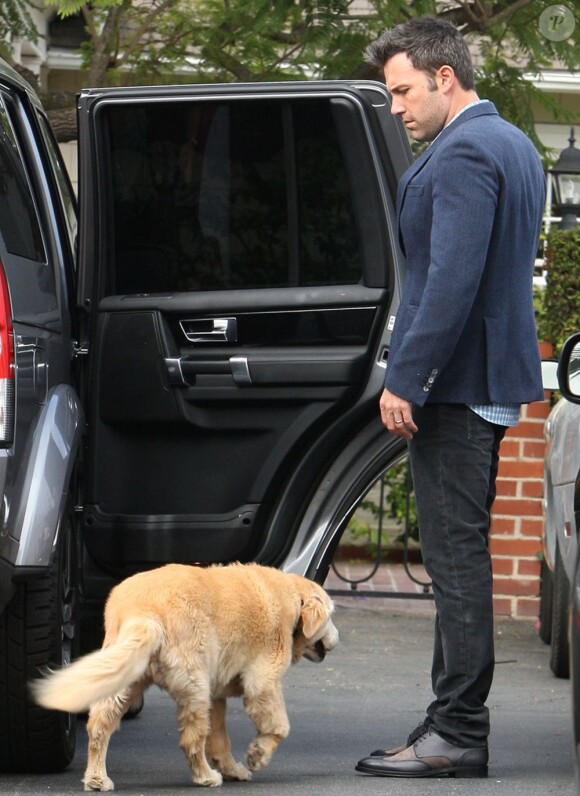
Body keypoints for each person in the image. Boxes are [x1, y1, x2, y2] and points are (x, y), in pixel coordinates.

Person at [355, 16, 546, 780]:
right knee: (460, 554)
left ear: (443, 77)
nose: (396, 107)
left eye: (402, 90)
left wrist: (407, 374)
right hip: (482, 383)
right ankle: (449, 724)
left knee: (457, 560)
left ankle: (459, 730)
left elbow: (455, 281)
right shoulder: (512, 144)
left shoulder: (465, 151)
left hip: (460, 388)